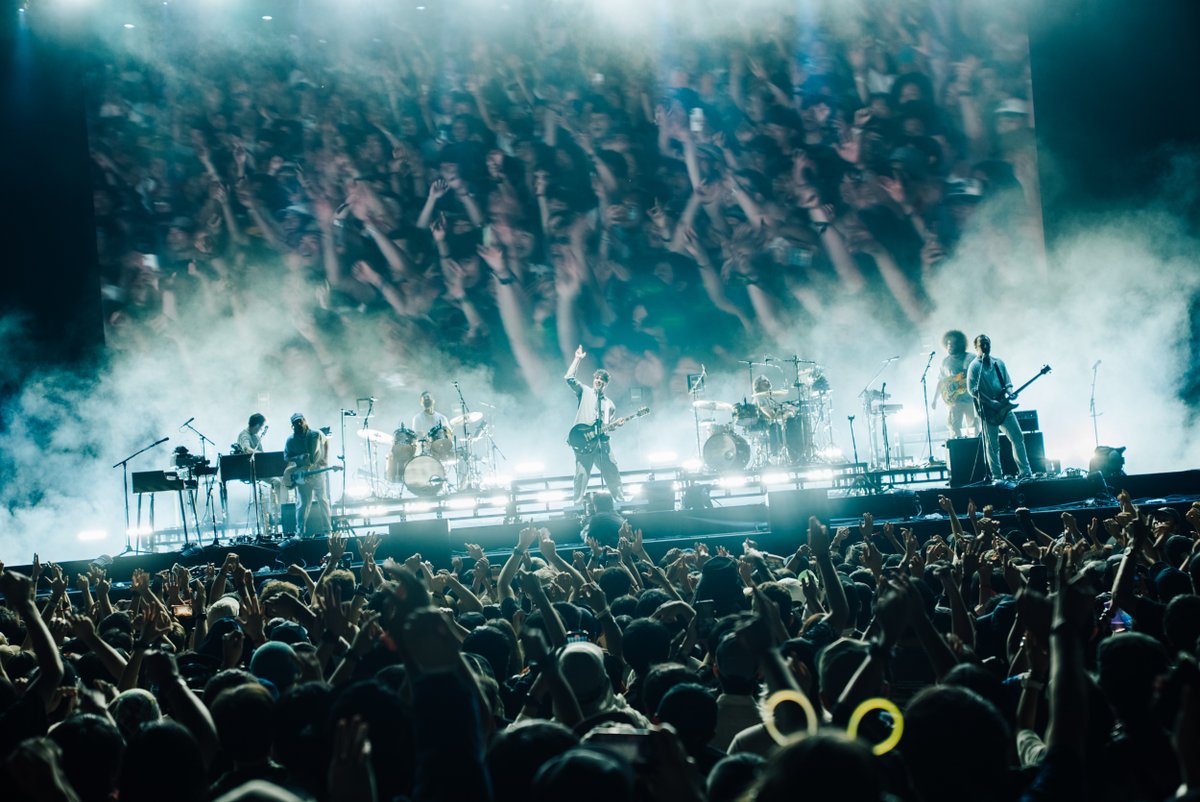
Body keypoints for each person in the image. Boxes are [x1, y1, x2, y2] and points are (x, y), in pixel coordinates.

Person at [966, 335, 1031, 480]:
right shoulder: (974, 366)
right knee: (992, 445)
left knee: (1018, 437)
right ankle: (997, 476)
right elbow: (972, 390)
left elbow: (1007, 383)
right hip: (987, 411)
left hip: (1003, 407)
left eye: (987, 344)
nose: (985, 347)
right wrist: (990, 402)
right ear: (976, 347)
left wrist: (1010, 392)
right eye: (982, 344)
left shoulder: (998, 363)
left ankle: (1025, 472)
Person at [565, 345, 624, 505]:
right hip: (584, 441)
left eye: (602, 379)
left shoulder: (609, 404)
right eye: (597, 378)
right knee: (581, 475)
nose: (598, 380)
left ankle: (621, 503)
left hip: (602, 444)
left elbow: (607, 426)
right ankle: (577, 506)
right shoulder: (585, 392)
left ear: (606, 383)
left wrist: (615, 425)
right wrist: (577, 359)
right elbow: (569, 378)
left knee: (612, 471)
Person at [283, 412, 332, 537]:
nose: (299, 424)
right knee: (303, 504)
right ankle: (299, 532)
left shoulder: (316, 434)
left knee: (322, 500)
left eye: (301, 421)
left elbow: (326, 441)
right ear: (292, 425)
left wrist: (325, 458)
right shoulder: (291, 440)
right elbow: (286, 456)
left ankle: (328, 530)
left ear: (305, 421)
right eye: (296, 422)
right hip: (302, 475)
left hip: (317, 472)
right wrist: (299, 457)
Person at [235, 413, 285, 526]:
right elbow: (247, 449)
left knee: (283, 477)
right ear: (257, 425)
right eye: (261, 427)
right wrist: (260, 454)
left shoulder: (256, 436)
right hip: (253, 470)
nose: (261, 430)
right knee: (276, 482)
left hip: (262, 468)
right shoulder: (244, 435)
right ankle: (274, 512)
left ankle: (282, 507)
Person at [933, 330, 977, 439]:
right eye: (948, 344)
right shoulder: (945, 362)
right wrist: (935, 399)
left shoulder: (971, 357)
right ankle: (957, 446)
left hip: (970, 399)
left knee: (973, 427)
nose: (949, 346)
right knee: (954, 427)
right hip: (954, 401)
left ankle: (974, 446)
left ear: (960, 344)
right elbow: (941, 381)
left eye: (952, 344)